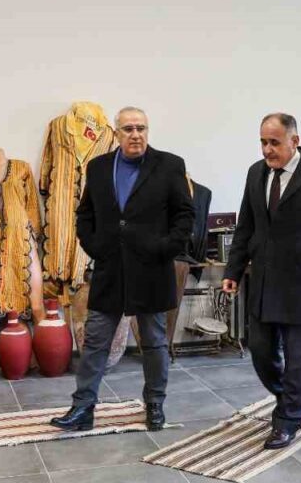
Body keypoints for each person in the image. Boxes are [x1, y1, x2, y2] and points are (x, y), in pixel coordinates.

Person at [50, 107, 194, 432]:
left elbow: (185, 215)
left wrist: (166, 248)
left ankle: (154, 405)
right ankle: (82, 408)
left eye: (141, 128)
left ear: (148, 131)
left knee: (154, 342)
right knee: (95, 341)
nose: (136, 134)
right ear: (116, 133)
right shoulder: (99, 167)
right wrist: (95, 246)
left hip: (152, 270)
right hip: (110, 269)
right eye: (128, 129)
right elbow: (85, 214)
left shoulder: (169, 165)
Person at [222, 113, 301, 450]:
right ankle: (288, 396)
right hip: (263, 282)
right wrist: (233, 271)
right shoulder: (256, 172)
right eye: (263, 142)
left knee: (298, 358)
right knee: (261, 352)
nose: (267, 149)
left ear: (295, 140)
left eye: (274, 142)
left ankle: (289, 419)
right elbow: (246, 225)